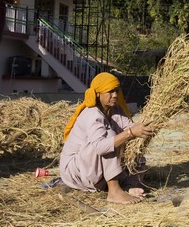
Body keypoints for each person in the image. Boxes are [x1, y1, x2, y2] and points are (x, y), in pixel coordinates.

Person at [59, 72, 154, 204]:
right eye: (109, 92)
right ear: (98, 94)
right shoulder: (92, 114)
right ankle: (114, 191)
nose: (115, 95)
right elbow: (101, 147)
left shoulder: (114, 110)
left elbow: (130, 127)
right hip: (77, 171)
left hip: (92, 167)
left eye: (116, 91)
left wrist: (150, 125)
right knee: (111, 136)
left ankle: (126, 187)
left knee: (139, 159)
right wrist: (131, 133)